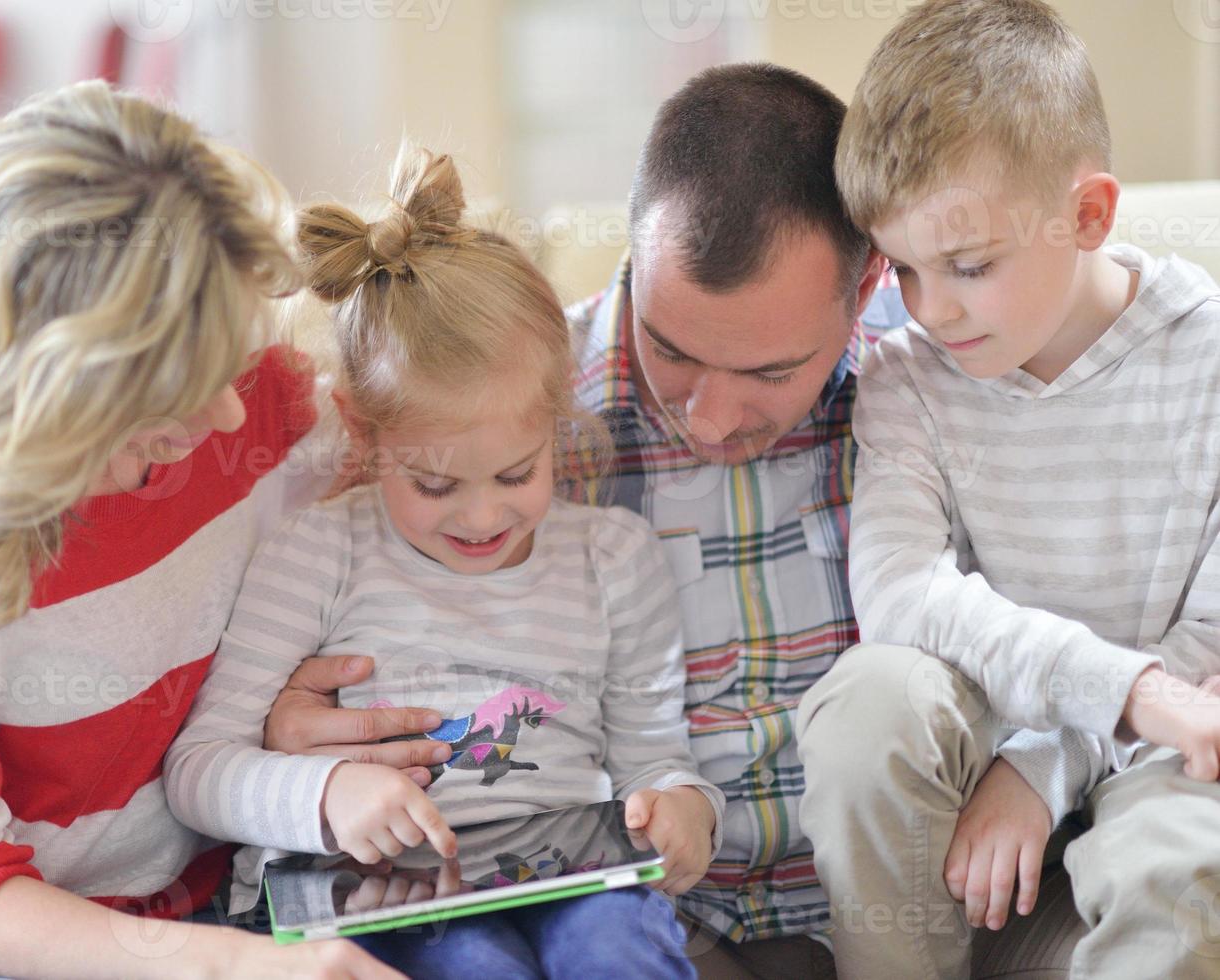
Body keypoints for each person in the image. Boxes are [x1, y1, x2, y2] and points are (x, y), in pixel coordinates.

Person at [261, 64, 906, 977]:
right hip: (643, 912)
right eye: (673, 350)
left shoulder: (926, 401)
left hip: (884, 913)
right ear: (636, 255)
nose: (711, 419)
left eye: (770, 374)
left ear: (865, 282)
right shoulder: (497, 404)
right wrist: (289, 745)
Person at [0, 81, 400, 980]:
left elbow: (448, 497)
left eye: (222, 364)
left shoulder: (249, 400)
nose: (219, 414)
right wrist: (238, 969)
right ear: (47, 384)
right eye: (166, 391)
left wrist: (286, 709)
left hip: (191, 905)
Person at [163, 144, 725, 978]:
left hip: (568, 873)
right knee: (475, 962)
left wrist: (684, 809)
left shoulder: (612, 556)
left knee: (620, 948)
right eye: (433, 484)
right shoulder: (320, 551)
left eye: (516, 473)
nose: (482, 514)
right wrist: (327, 796)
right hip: (372, 890)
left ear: (555, 424)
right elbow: (198, 771)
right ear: (361, 431)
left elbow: (653, 755)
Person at [796, 1, 1220, 976]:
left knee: (1179, 848)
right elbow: (898, 594)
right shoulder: (903, 376)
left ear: (1085, 216)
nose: (930, 307)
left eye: (968, 265)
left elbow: (1202, 662)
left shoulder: (1203, 359)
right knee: (866, 704)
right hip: (1000, 717)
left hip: (1167, 735)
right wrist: (1118, 696)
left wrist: (1043, 761)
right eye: (900, 267)